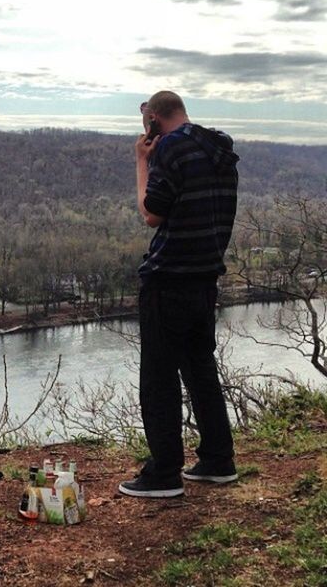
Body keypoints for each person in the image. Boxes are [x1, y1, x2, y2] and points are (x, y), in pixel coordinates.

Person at [118, 91, 240, 498]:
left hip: (168, 278)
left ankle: (164, 472)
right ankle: (218, 460)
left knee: (158, 375)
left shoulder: (170, 149)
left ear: (153, 118)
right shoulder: (219, 147)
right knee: (200, 368)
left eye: (144, 118)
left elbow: (152, 212)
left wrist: (141, 161)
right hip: (206, 276)